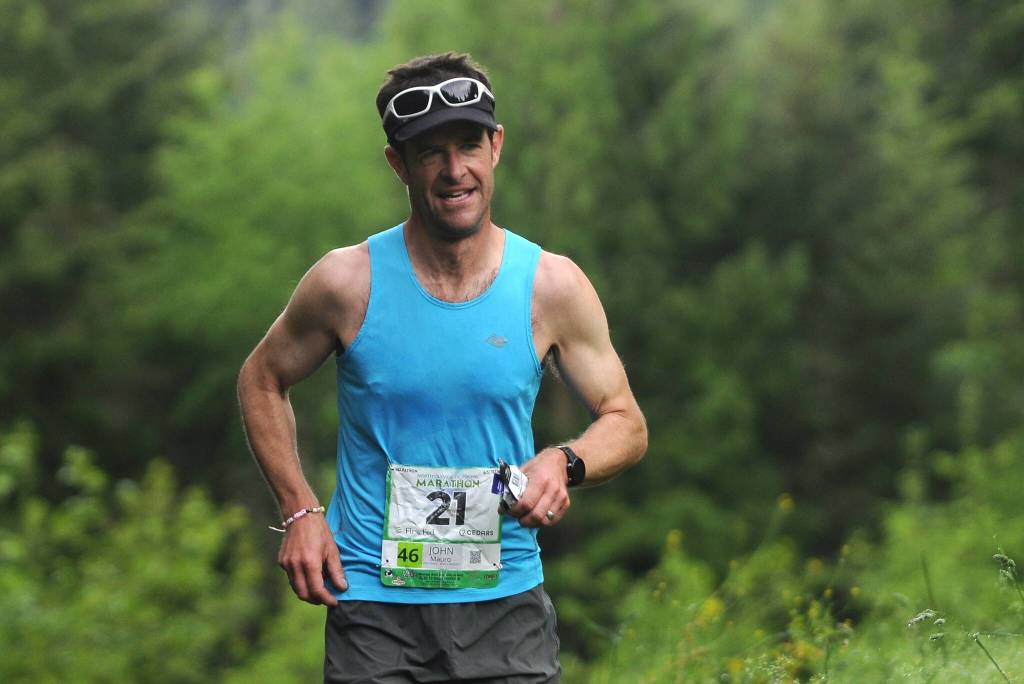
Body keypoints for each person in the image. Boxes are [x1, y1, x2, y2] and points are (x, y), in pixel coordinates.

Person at [237, 52, 647, 683]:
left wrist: (562, 463)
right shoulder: (347, 283)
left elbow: (626, 422)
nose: (455, 171)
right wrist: (299, 510)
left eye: (468, 145)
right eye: (431, 152)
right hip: (374, 609)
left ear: (496, 147)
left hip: (505, 607)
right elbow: (262, 379)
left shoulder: (550, 287)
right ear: (398, 163)